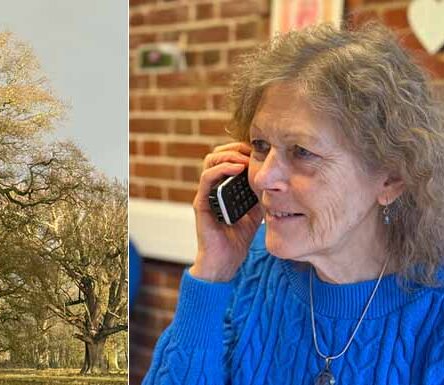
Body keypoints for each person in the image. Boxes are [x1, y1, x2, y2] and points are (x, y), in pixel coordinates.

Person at [143, 23, 444, 384]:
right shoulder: (249, 268)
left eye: (302, 152)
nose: (263, 178)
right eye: (260, 146)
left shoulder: (432, 313)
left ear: (391, 178)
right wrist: (213, 272)